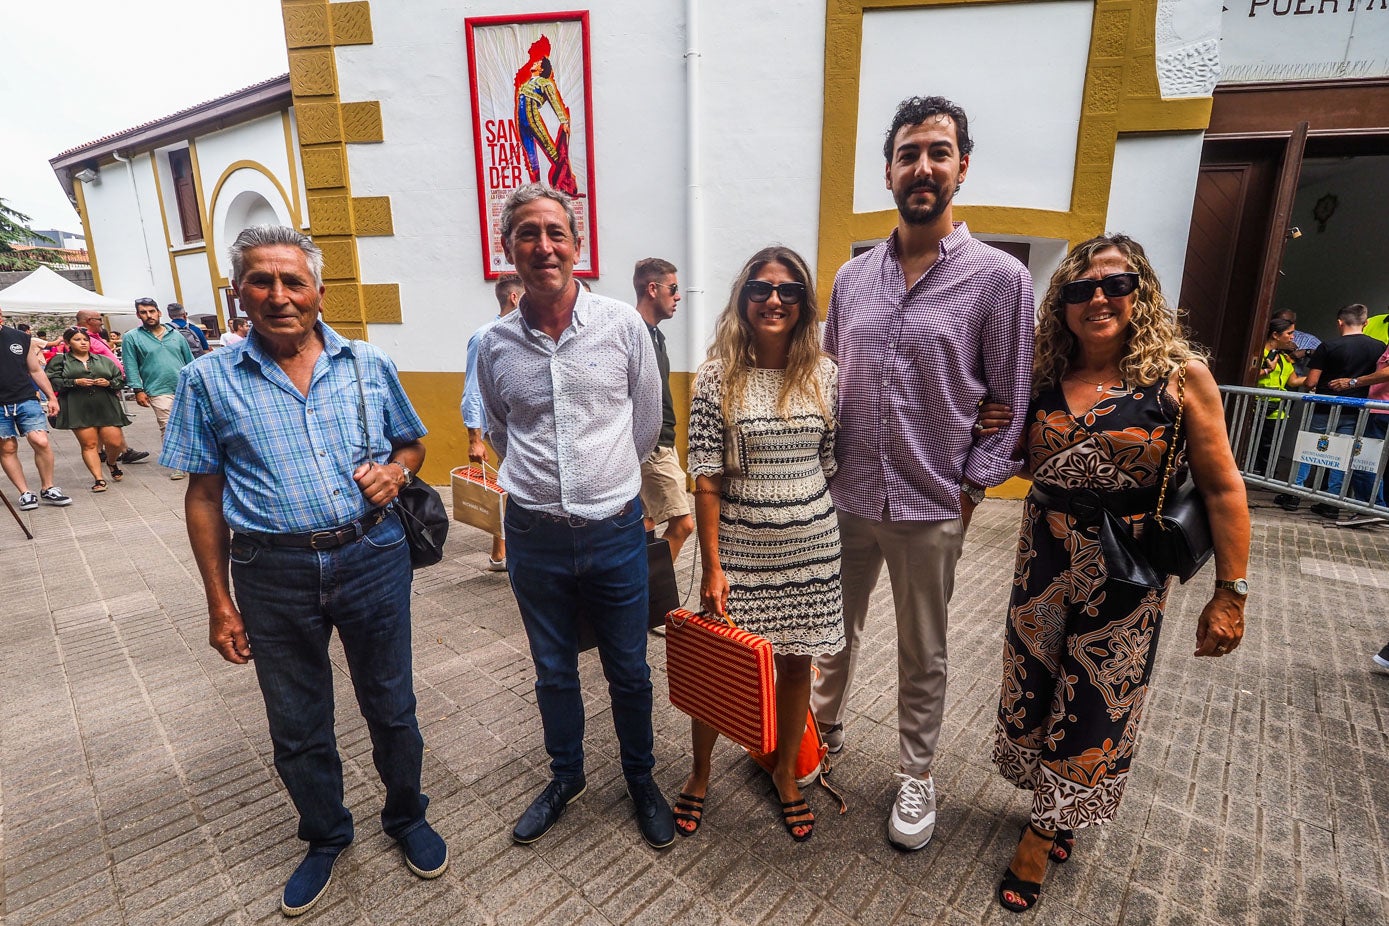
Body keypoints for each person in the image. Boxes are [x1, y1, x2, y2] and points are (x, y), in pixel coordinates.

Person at [162, 225, 447, 916]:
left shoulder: (366, 365)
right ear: (239, 293)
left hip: (371, 554)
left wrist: (394, 471)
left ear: (319, 291)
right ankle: (324, 834)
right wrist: (218, 603)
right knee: (296, 720)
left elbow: (412, 444)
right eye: (262, 281)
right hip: (272, 570)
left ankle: (406, 816)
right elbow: (202, 496)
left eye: (294, 282)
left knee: (392, 703)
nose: (279, 295)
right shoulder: (206, 380)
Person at [988, 233, 1249, 913]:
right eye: (1079, 288)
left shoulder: (1178, 378)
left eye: (1114, 284)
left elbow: (1222, 489)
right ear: (1062, 304)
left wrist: (1230, 591)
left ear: (1141, 293)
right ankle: (1053, 804)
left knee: (1098, 696)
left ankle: (1042, 835)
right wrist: (996, 427)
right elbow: (1029, 461)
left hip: (1125, 568)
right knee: (1035, 687)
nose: (1096, 298)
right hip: (1042, 558)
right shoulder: (1044, 377)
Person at [808, 95, 1035, 851]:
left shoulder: (999, 279)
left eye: (938, 152)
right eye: (909, 154)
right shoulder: (851, 280)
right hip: (847, 495)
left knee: (923, 649)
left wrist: (972, 488)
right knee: (831, 629)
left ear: (961, 167)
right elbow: (830, 380)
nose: (922, 167)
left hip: (929, 501)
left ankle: (915, 772)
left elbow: (1011, 394)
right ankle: (821, 732)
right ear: (888, 171)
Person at [474, 183, 673, 849]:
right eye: (527, 234)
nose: (543, 245)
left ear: (577, 246)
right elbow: (501, 431)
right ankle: (565, 776)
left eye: (555, 232)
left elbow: (644, 425)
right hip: (534, 537)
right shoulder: (492, 345)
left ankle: (640, 778)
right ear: (509, 251)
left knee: (630, 669)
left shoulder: (621, 326)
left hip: (615, 531)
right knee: (553, 670)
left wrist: (602, 480)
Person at [676, 246, 844, 842]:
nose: (775, 300)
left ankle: (785, 775)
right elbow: (707, 477)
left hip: (812, 550)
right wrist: (713, 567)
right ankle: (699, 775)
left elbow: (828, 462)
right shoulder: (716, 377)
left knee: (797, 664)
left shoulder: (825, 374)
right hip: (740, 552)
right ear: (743, 299)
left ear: (803, 303)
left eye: (789, 290)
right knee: (718, 667)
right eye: (761, 288)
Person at [633, 257, 695, 560]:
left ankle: (637, 596)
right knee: (683, 524)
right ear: (653, 289)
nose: (678, 296)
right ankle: (646, 594)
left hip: (659, 444)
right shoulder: (636, 334)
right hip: (653, 448)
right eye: (673, 288)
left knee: (645, 523)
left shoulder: (655, 335)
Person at [461, 274, 522, 570]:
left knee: (509, 488)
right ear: (514, 297)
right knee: (506, 487)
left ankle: (502, 552)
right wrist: (474, 438)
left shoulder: (523, 333)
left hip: (517, 426)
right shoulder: (486, 335)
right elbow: (472, 390)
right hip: (501, 430)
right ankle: (501, 552)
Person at [1303, 304, 1383, 517]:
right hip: (1356, 409)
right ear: (1365, 323)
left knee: (1310, 448)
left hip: (1324, 406)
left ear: (1339, 322)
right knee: (1342, 453)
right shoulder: (1379, 347)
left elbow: (1312, 381)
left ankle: (1295, 491)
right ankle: (1332, 501)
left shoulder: (1328, 346)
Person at [45, 327, 134, 492]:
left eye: (85, 339)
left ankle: (112, 462)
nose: (83, 342)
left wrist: (109, 383)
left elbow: (120, 380)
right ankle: (99, 479)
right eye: (77, 339)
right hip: (77, 406)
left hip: (106, 405)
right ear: (68, 343)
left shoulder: (102, 360)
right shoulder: (60, 361)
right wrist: (75, 382)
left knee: (114, 441)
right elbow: (52, 381)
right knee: (89, 444)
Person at [0, 307, 71, 510]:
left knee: (40, 440)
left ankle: (48, 487)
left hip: (25, 398)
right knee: (7, 447)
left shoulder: (20, 337)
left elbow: (35, 369)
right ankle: (25, 492)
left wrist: (51, 397)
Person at [123, 297, 195, 479]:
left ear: (159, 312)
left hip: (185, 386)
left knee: (190, 425)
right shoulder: (132, 337)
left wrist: (198, 382)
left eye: (151, 311)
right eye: (144, 312)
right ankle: (177, 464)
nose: (149, 315)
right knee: (168, 426)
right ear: (138, 315)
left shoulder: (175, 334)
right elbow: (130, 365)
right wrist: (138, 390)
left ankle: (193, 459)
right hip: (157, 388)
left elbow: (189, 361)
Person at [1327, 333, 1389, 526]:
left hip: (1382, 411)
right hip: (1381, 410)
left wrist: (1353, 382)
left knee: (1364, 461)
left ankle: (1369, 508)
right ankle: (1381, 509)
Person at [1252, 317, 1306, 476]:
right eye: (1289, 333)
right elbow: (1249, 376)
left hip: (1277, 408)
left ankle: (1267, 475)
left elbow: (1293, 380)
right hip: (1256, 404)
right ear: (1275, 335)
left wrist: (1317, 380)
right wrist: (1268, 370)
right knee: (1252, 442)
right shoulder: (1258, 353)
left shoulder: (1282, 357)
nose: (1292, 337)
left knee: (1271, 444)